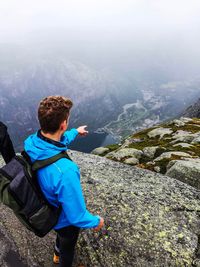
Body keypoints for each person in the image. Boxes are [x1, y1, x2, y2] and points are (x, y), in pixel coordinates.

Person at [24, 96, 104, 267]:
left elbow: (56, 143)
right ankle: (61, 259)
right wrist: (96, 221)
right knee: (68, 246)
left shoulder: (33, 143)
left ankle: (56, 253)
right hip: (63, 220)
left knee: (60, 236)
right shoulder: (65, 171)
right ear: (63, 124)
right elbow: (76, 216)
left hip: (45, 206)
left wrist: (75, 132)